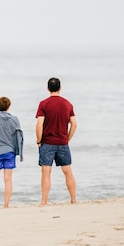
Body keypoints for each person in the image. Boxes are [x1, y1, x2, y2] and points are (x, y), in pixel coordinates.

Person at [35, 77, 77, 205]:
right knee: (68, 171)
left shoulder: (43, 104)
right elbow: (74, 124)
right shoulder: (67, 104)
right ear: (60, 88)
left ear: (48, 88)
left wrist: (38, 140)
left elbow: (39, 125)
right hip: (62, 142)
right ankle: (73, 200)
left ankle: (44, 201)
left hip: (47, 142)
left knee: (46, 173)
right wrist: (67, 138)